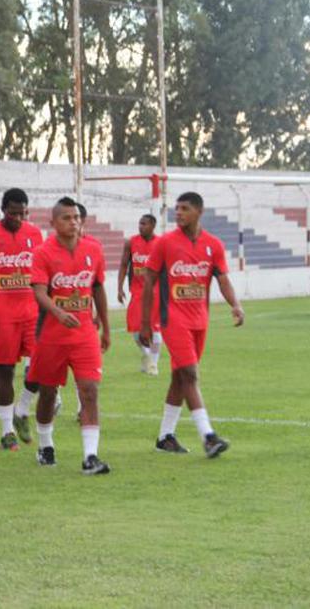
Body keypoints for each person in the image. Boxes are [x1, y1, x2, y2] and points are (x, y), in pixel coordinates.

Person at [141, 192, 243, 457]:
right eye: (177, 209)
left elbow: (222, 279)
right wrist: (145, 324)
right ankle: (208, 436)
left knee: (180, 378)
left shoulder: (214, 245)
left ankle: (165, 437)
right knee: (190, 375)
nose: (179, 213)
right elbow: (149, 281)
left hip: (200, 320)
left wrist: (235, 304)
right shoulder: (165, 243)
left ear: (199, 211)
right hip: (172, 319)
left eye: (184, 208)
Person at [28, 197, 112, 475]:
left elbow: (98, 287)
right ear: (53, 223)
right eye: (66, 218)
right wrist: (58, 312)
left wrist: (106, 327)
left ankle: (90, 456)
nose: (73, 222)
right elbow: (39, 291)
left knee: (89, 390)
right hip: (52, 336)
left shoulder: (93, 249)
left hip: (85, 333)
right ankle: (45, 443)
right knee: (48, 393)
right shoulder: (42, 253)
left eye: (76, 217)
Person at [0, 188, 44, 450]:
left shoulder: (34, 234)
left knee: (41, 365)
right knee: (5, 369)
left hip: (32, 311)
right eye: (13, 213)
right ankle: (6, 431)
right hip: (3, 313)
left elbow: (42, 269)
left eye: (22, 213)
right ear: (3, 210)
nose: (17, 218)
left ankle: (22, 409)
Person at [118, 214, 162, 375]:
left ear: (153, 226)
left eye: (144, 224)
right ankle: (146, 354)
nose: (140, 226)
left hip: (156, 291)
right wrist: (120, 287)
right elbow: (123, 265)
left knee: (155, 328)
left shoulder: (160, 243)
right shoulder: (131, 242)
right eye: (139, 223)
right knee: (136, 330)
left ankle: (154, 364)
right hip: (137, 292)